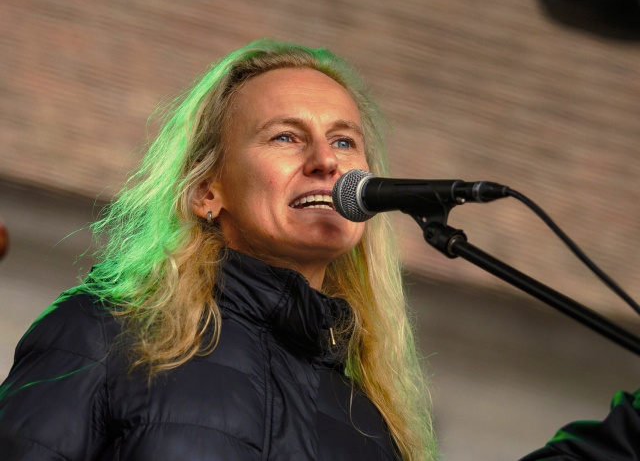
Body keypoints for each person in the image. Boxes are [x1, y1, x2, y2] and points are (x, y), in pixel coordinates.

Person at [0, 39, 439, 460]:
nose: (326, 161)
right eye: (285, 137)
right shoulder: (107, 331)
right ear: (207, 190)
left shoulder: (375, 427)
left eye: (344, 142)